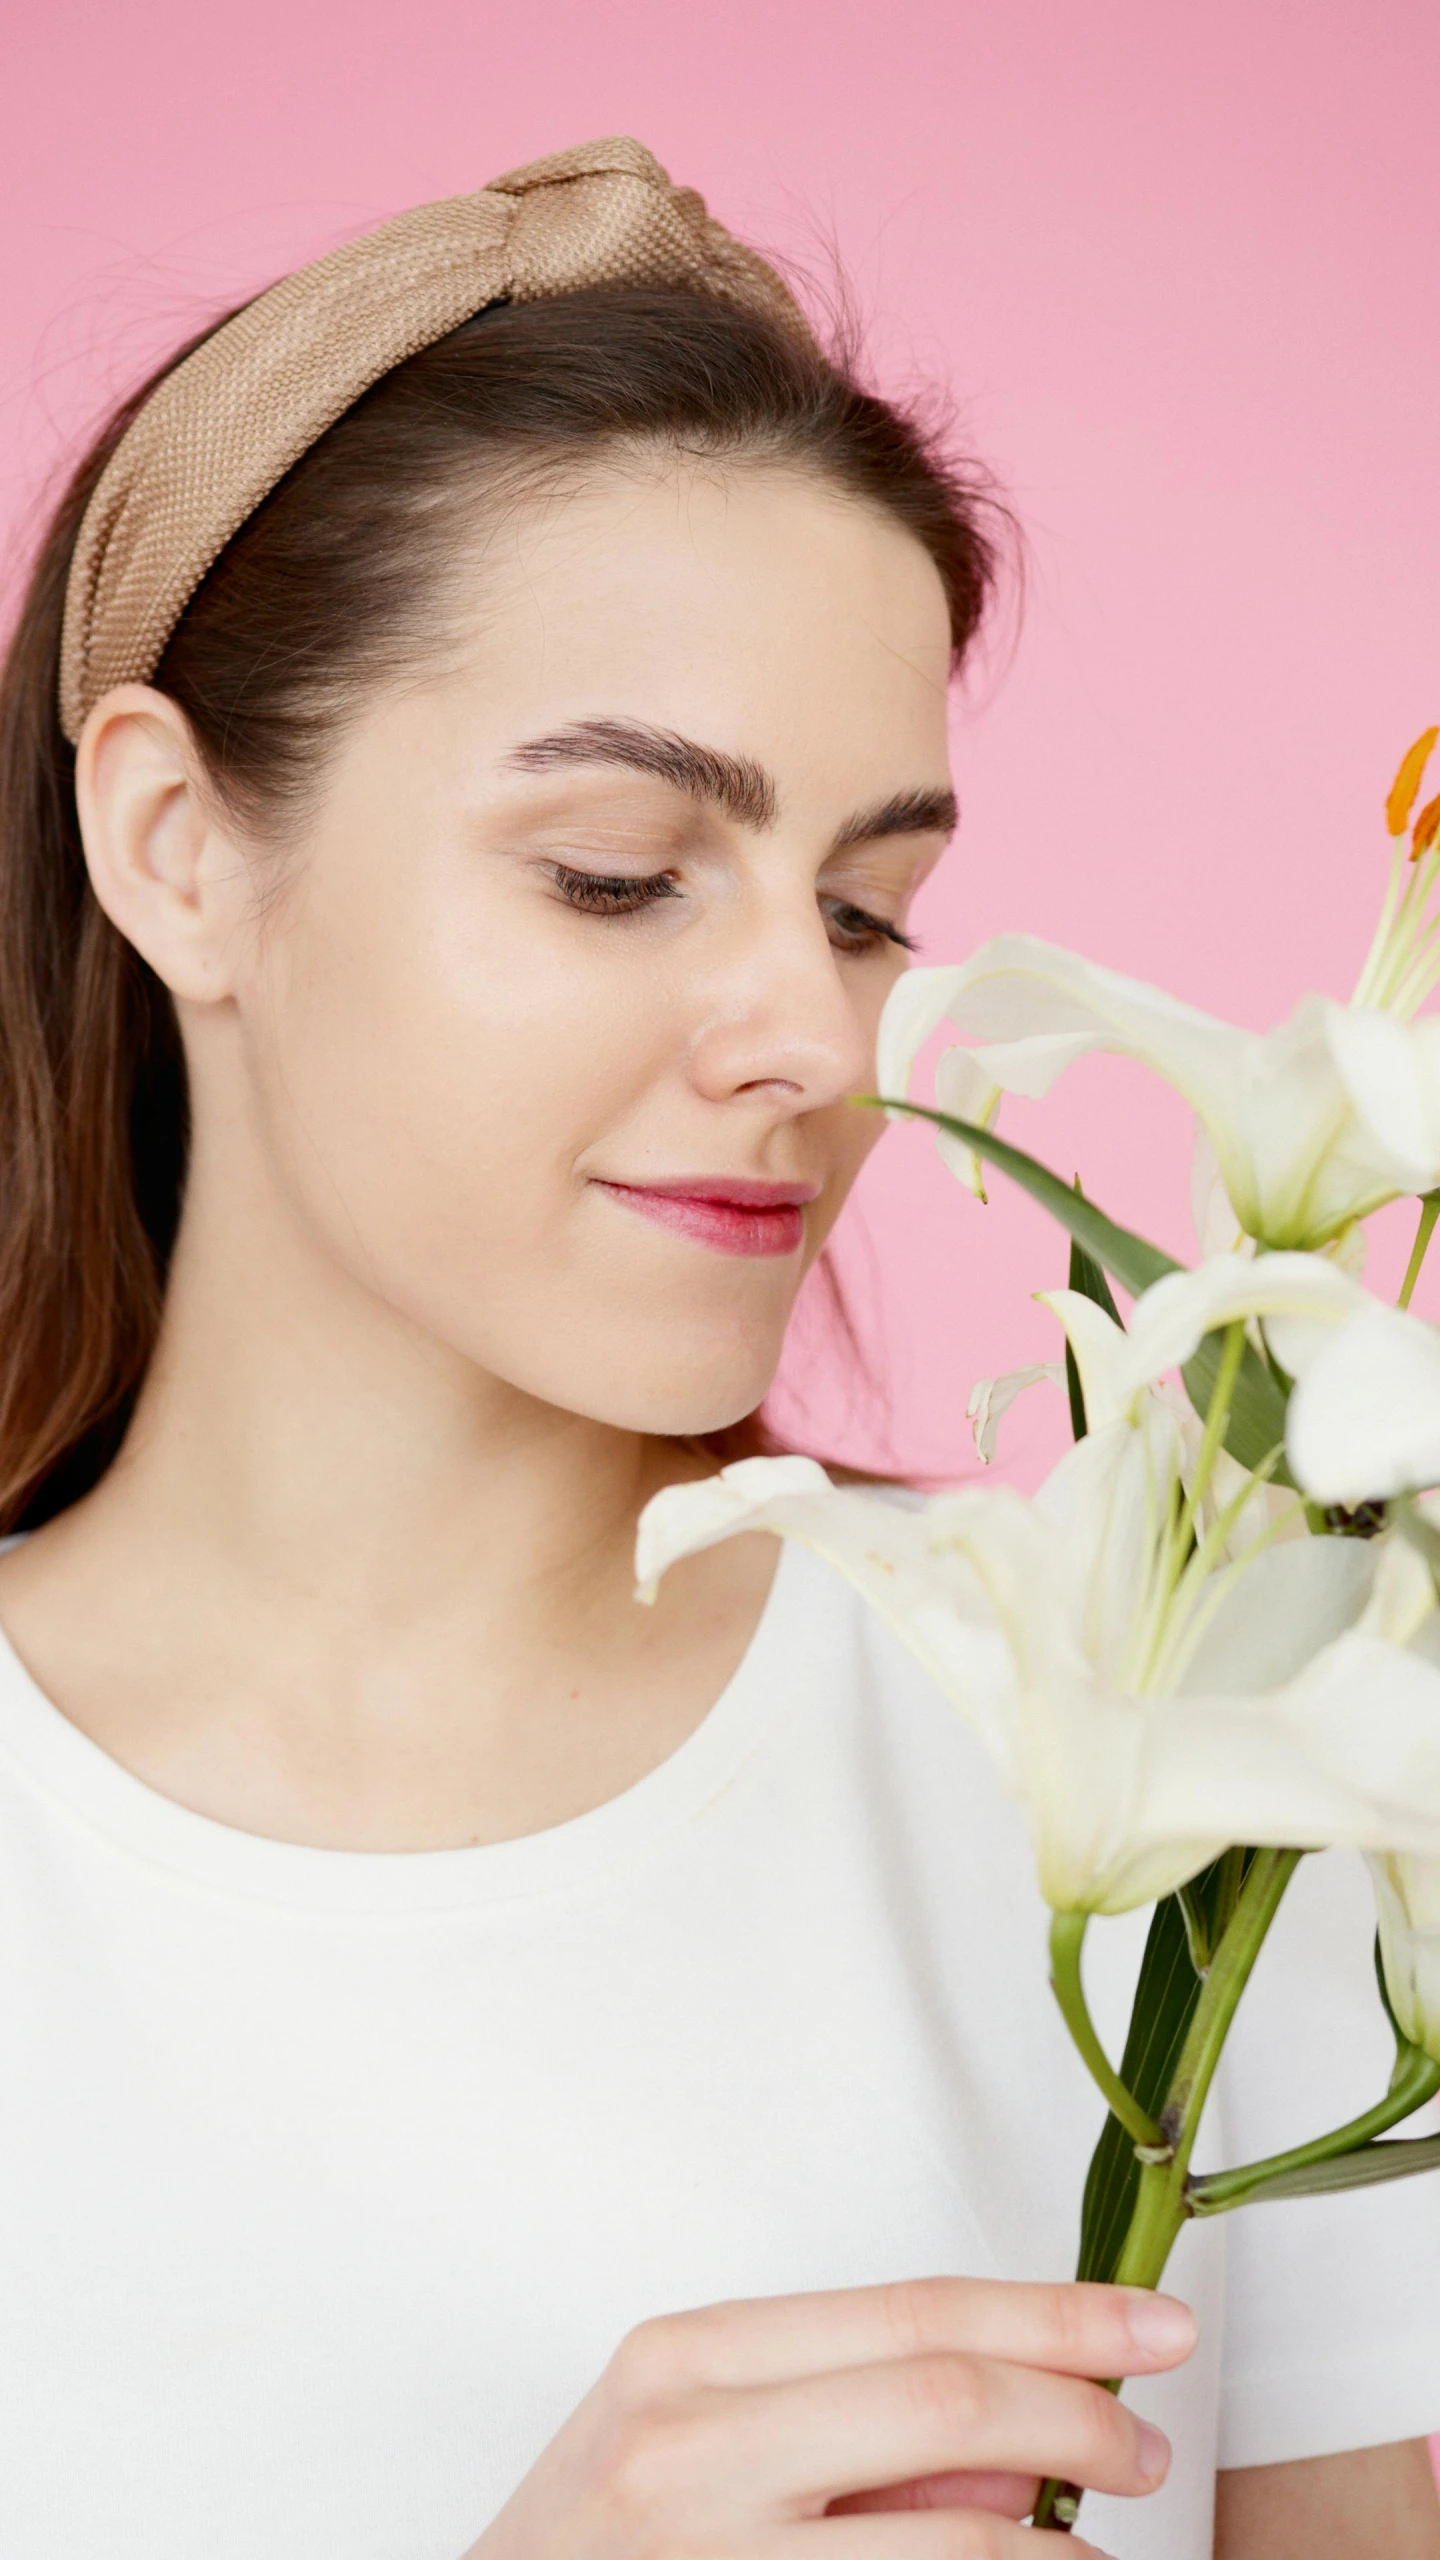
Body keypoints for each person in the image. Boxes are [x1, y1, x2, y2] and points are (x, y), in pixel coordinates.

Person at [0, 135, 1434, 2560]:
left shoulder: (1208, 1750)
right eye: (618, 872)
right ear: (173, 845)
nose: (815, 1032)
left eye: (872, 909)